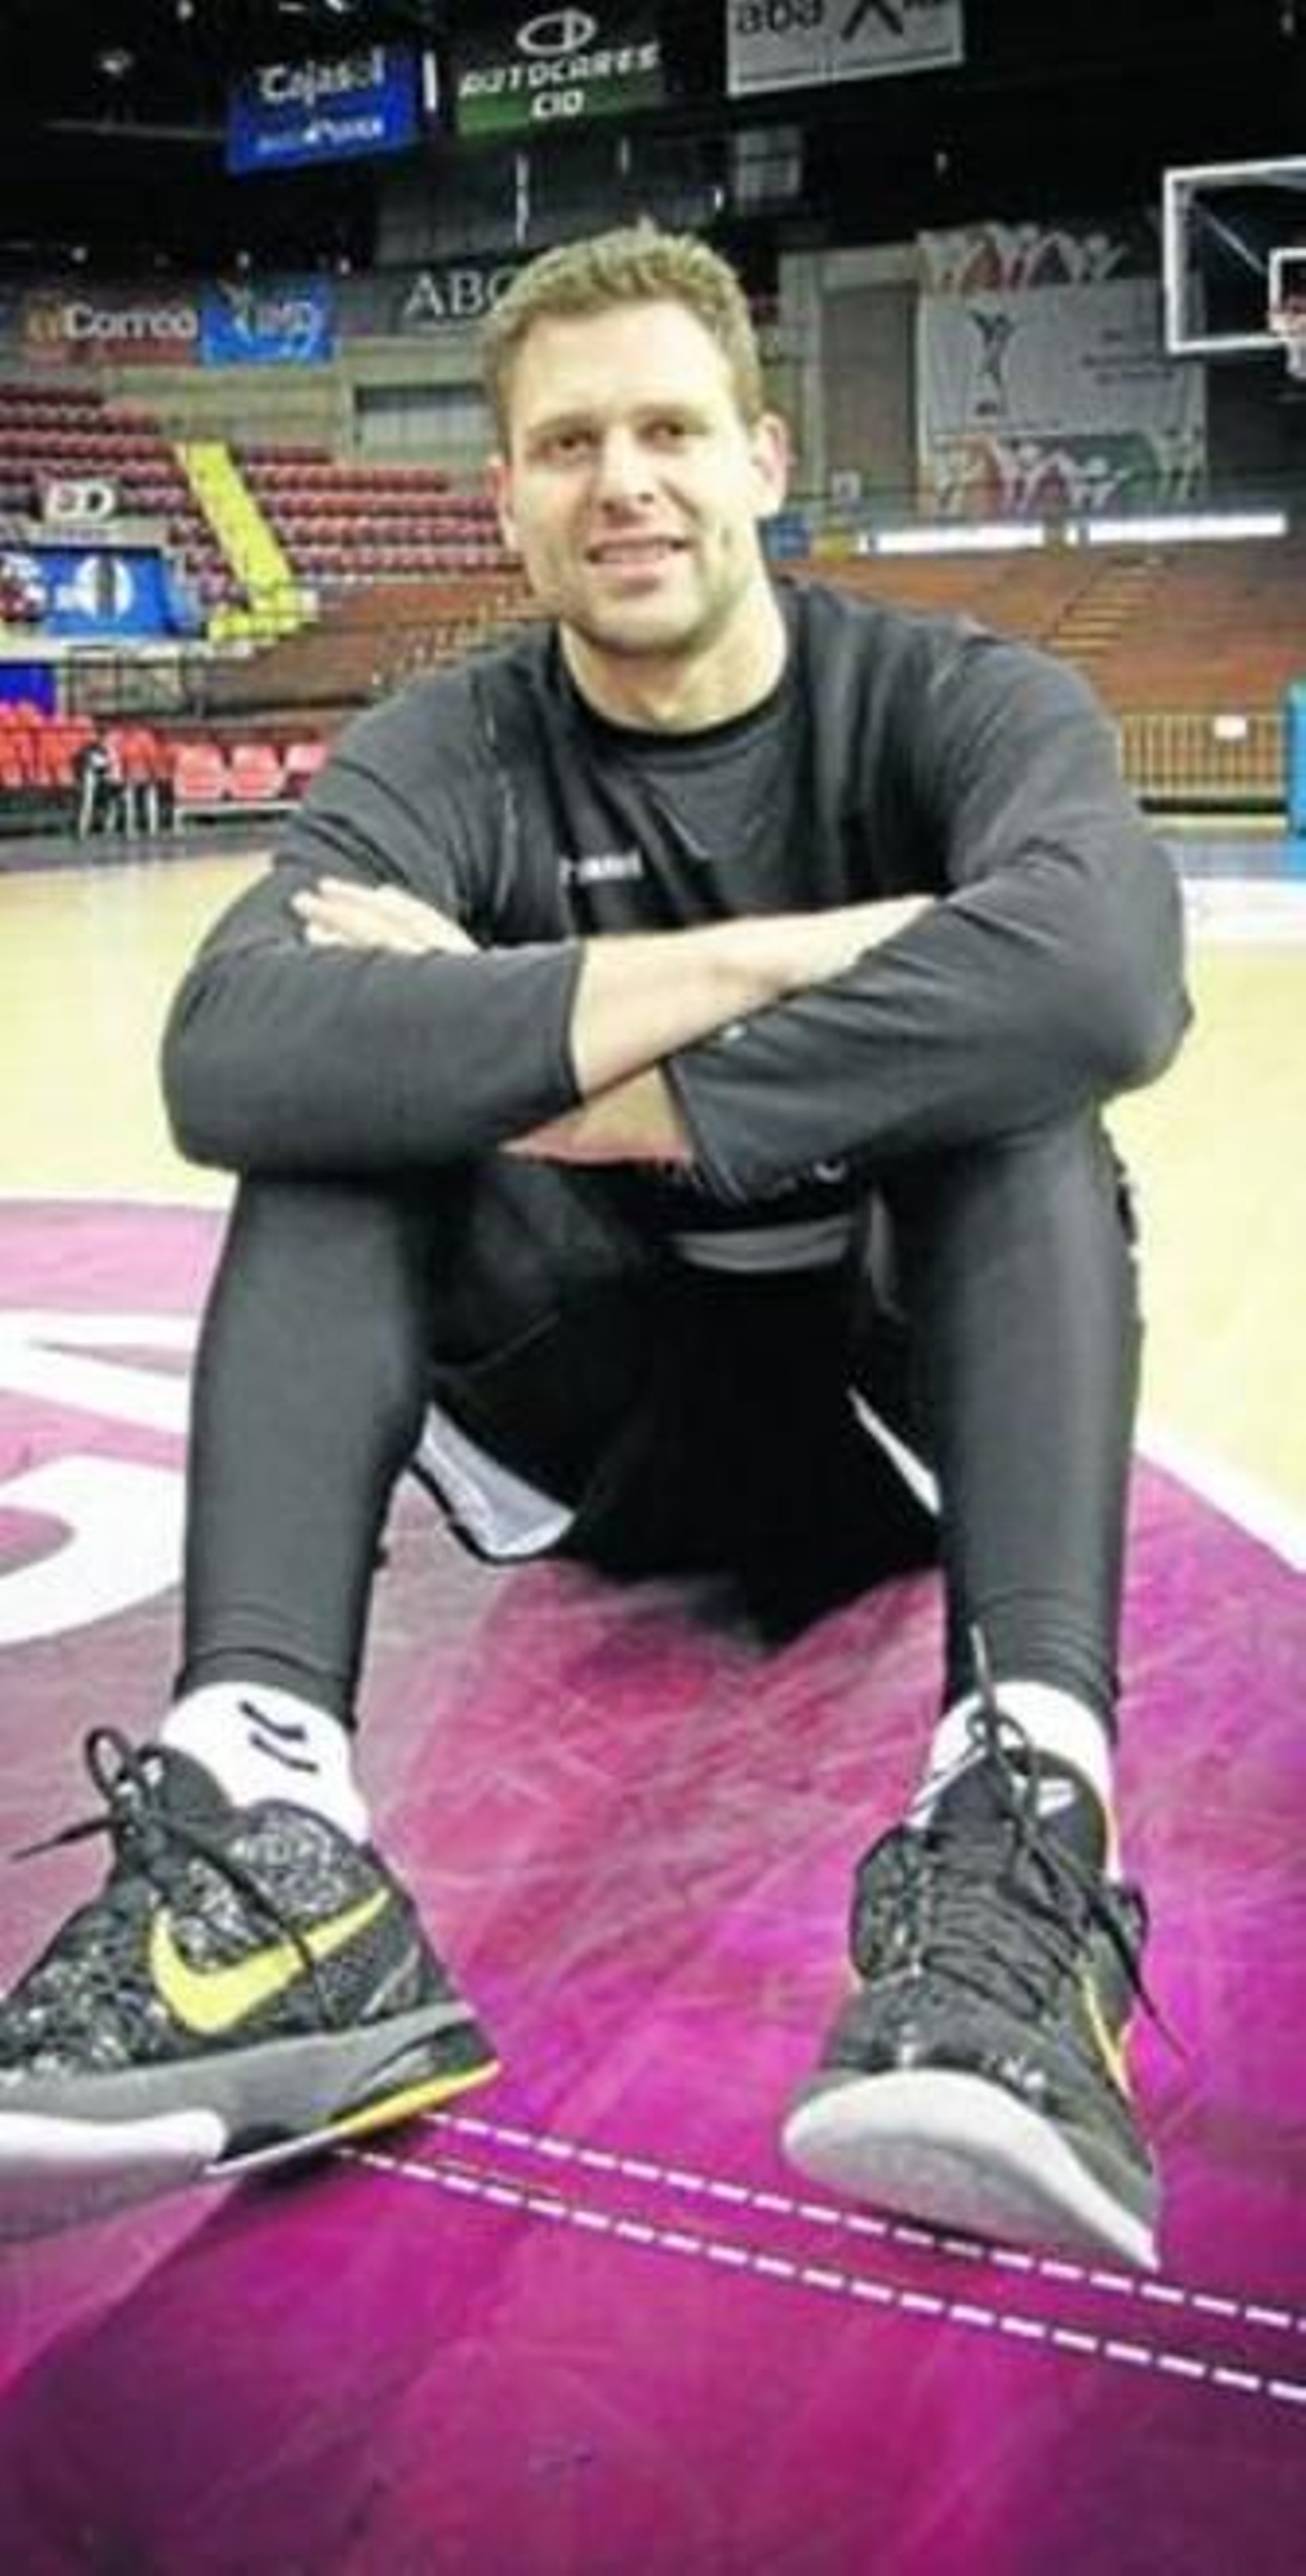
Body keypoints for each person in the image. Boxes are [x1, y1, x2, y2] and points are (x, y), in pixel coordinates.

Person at [0, 225, 1189, 2266]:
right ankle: (272, 1836)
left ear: (758, 457)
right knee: (328, 1125)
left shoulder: (949, 699)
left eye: (665, 431)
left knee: (1023, 1105)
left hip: (899, 1400)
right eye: (567, 445)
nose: (620, 481)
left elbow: (1095, 974)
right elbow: (234, 1048)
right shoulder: (445, 747)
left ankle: (1021, 1836)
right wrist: (810, 956)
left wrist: (554, 1057)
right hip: (581, 1415)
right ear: (505, 499)